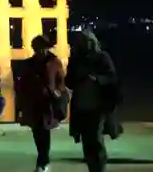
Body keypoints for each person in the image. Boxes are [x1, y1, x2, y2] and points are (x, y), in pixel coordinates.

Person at [66, 29, 122, 172]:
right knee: (86, 141)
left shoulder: (102, 57)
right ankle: (93, 167)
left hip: (98, 106)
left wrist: (97, 79)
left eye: (86, 42)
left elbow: (112, 78)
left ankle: (99, 167)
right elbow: (68, 82)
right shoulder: (75, 59)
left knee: (96, 139)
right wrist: (78, 77)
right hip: (81, 106)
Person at [18, 35, 68, 172]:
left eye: (44, 48)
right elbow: (22, 85)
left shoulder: (54, 62)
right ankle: (43, 160)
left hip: (48, 103)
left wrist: (58, 92)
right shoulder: (29, 64)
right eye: (39, 48)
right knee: (37, 133)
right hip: (33, 103)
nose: (42, 51)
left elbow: (61, 81)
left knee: (45, 132)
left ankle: (43, 162)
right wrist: (21, 105)